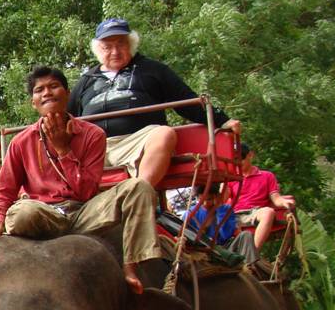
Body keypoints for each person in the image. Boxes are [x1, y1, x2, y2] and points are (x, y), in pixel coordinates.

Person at [0, 66, 161, 294]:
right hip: (43, 213)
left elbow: (86, 192)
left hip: (83, 213)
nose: (47, 93)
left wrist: (63, 149)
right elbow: (5, 190)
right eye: (39, 90)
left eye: (54, 86)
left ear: (67, 94)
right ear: (33, 102)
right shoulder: (20, 142)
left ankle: (130, 266)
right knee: (22, 213)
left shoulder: (93, 135)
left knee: (139, 187)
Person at [68, 18, 242, 189]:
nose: (115, 51)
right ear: (98, 50)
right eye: (107, 47)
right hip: (96, 148)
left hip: (138, 143)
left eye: (120, 44)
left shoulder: (152, 70)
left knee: (164, 134)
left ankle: (139, 193)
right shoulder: (86, 81)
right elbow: (66, 118)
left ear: (131, 44)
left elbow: (186, 100)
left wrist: (223, 120)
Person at [230, 143, 295, 250]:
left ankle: (252, 253)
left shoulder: (267, 176)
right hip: (234, 215)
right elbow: (222, 199)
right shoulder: (230, 178)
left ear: (250, 155)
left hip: (255, 213)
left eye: (241, 158)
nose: (238, 163)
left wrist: (284, 202)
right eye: (234, 160)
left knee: (268, 212)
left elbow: (276, 198)